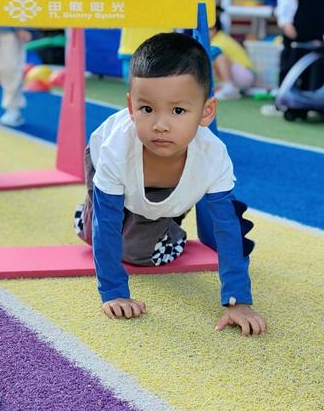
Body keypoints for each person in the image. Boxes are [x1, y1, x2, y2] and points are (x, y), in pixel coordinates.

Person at [74, 33, 266, 336]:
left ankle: (165, 216)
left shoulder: (212, 157)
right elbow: (106, 223)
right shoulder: (115, 149)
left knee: (140, 255)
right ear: (130, 107)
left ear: (206, 111)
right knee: (94, 232)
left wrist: (237, 300)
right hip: (107, 172)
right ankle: (91, 212)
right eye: (147, 109)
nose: (160, 124)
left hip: (162, 190)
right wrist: (114, 292)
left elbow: (227, 229)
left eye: (178, 111)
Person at [210, 9, 256, 100]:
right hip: (241, 75)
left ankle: (228, 87)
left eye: (208, 30)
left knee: (219, 56)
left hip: (246, 74)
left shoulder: (218, 41)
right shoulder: (218, 38)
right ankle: (228, 88)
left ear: (214, 29)